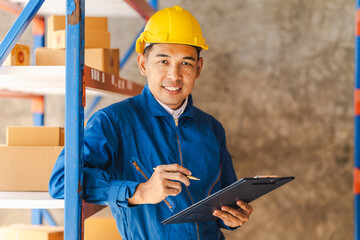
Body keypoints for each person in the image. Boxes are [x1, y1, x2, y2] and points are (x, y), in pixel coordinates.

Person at [49, 5, 253, 240]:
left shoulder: (212, 128)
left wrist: (232, 218)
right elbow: (61, 181)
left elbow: (225, 201)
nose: (174, 75)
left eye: (185, 63)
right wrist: (138, 191)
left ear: (199, 68)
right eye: (163, 61)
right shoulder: (114, 122)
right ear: (143, 64)